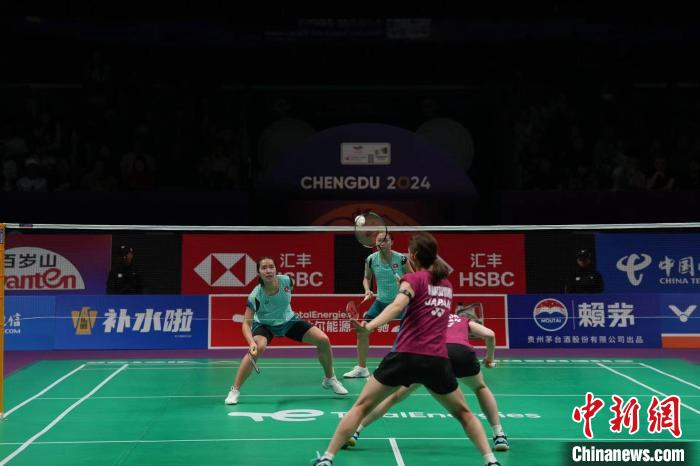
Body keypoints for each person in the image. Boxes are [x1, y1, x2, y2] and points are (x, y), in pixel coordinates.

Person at [312, 232, 500, 466]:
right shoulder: (446, 285)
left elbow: (396, 306)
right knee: (464, 414)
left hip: (405, 356)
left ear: (413, 256)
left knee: (361, 406)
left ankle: (327, 458)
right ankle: (491, 460)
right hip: (436, 360)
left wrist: (369, 327)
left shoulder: (412, 280)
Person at [344, 305, 509, 452]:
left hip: (431, 355)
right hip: (461, 353)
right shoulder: (463, 321)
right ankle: (499, 435)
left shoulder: (428, 319)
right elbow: (490, 335)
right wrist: (489, 359)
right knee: (480, 387)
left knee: (394, 396)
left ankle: (356, 431)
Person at [225, 257, 348, 405]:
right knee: (257, 348)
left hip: (289, 320)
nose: (268, 271)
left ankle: (330, 379)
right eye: (264, 268)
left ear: (276, 269)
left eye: (271, 267)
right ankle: (235, 390)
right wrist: (251, 342)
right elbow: (246, 323)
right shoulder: (255, 295)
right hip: (265, 324)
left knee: (323, 340)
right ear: (259, 273)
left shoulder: (287, 281)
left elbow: (285, 298)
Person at [344, 232, 413, 378]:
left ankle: (402, 366)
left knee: (406, 335)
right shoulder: (371, 259)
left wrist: (403, 282)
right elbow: (366, 277)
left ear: (391, 242)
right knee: (362, 331)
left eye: (385, 240)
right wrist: (367, 289)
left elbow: (414, 278)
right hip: (380, 302)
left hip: (399, 303)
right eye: (379, 240)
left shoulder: (401, 259)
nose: (381, 243)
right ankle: (361, 368)